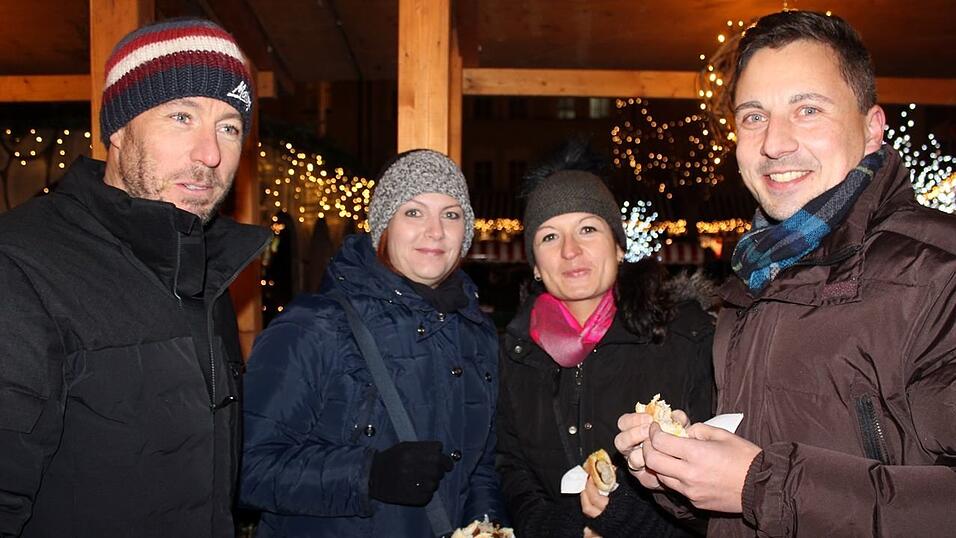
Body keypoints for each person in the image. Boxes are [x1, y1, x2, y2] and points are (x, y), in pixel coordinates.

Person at [615, 10, 956, 537]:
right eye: (754, 116)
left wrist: (760, 485)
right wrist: (682, 472)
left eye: (808, 110)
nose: (774, 143)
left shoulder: (938, 274)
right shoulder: (752, 281)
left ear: (872, 129)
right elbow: (746, 492)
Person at [0, 18, 270, 537]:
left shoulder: (205, 271)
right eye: (181, 115)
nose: (210, 154)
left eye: (229, 126)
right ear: (119, 129)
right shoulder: (21, 264)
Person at [240, 149, 505, 536]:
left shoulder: (475, 334)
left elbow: (480, 466)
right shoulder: (315, 327)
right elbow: (247, 469)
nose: (435, 231)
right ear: (383, 225)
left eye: (451, 214)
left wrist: (488, 525)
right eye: (413, 212)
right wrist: (369, 474)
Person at [496, 146, 715, 538]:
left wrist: (627, 518)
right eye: (549, 236)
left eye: (587, 229)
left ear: (618, 246)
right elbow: (512, 467)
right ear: (534, 263)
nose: (570, 251)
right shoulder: (516, 351)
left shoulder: (685, 335)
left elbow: (714, 483)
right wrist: (560, 528)